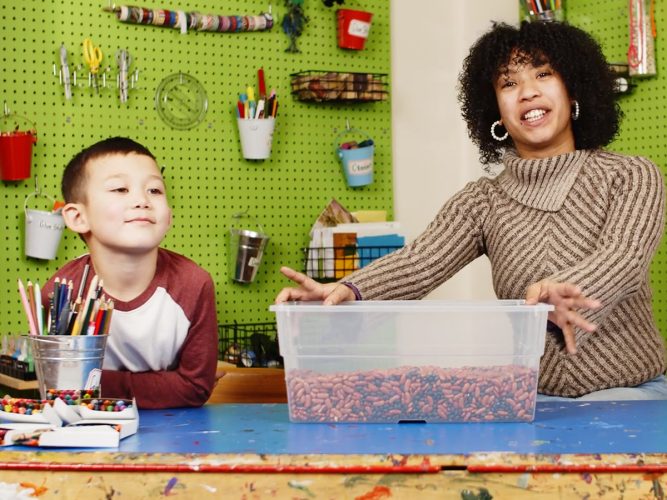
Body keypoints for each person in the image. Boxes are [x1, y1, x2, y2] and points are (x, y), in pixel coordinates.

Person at [276, 21, 667, 401]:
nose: (527, 92)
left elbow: (624, 258)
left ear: (573, 90)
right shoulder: (482, 201)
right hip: (535, 398)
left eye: (543, 74)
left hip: (633, 394)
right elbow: (419, 263)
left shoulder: (631, 175)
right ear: (496, 112)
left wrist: (563, 289)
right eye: (508, 83)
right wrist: (347, 290)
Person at [41, 137, 219, 409]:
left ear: (168, 216)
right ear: (78, 217)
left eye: (155, 191)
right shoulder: (61, 293)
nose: (141, 200)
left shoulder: (194, 285)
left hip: (175, 436)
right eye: (120, 188)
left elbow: (195, 387)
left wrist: (96, 384)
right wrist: (163, 383)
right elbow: (62, 387)